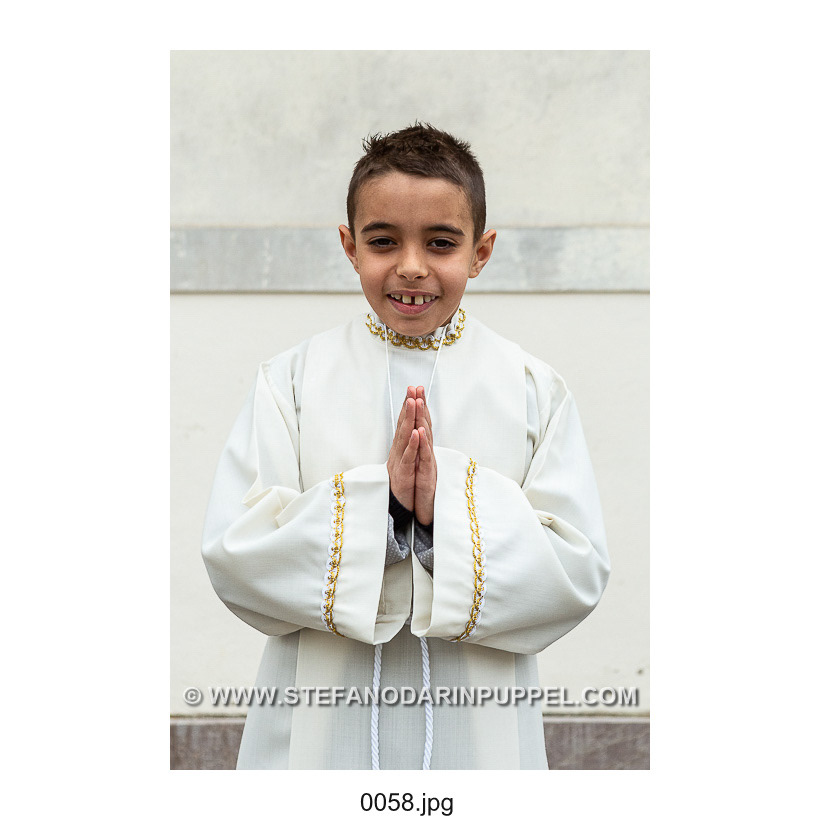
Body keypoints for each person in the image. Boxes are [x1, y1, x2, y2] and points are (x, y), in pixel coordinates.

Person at [201, 123, 610, 769]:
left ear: (480, 252)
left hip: (477, 731)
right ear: (349, 246)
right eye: (383, 240)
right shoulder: (293, 381)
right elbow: (236, 550)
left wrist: (442, 518)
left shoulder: (532, 388)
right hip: (320, 726)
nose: (412, 266)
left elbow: (575, 568)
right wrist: (385, 514)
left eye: (441, 243)